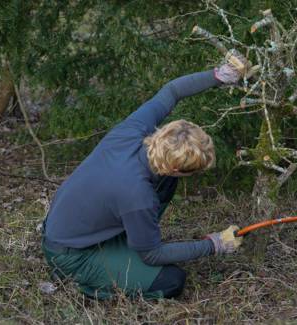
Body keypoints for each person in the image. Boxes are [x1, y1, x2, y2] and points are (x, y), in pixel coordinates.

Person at [41, 55, 247, 299]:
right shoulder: (137, 195)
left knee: (165, 186)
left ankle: (130, 239)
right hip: (72, 255)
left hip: (72, 227)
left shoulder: (134, 129)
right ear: (176, 167)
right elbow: (152, 255)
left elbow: (171, 91)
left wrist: (219, 76)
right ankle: (81, 279)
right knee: (171, 281)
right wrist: (213, 245)